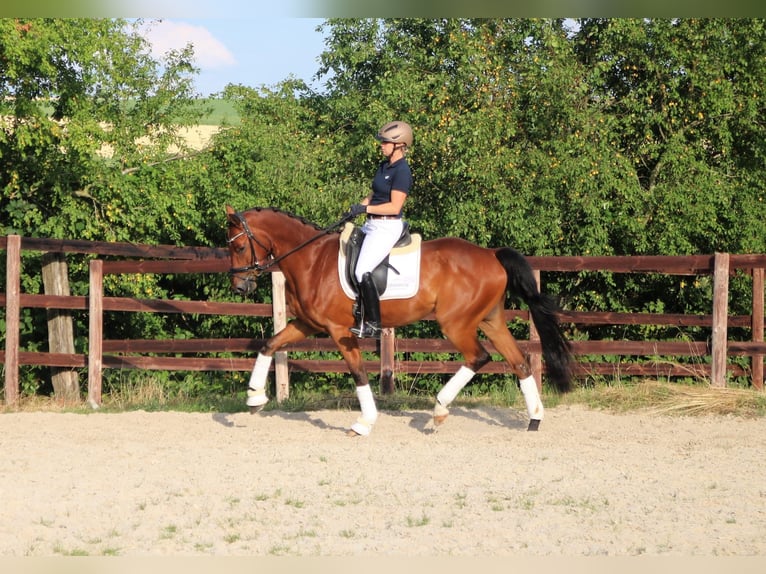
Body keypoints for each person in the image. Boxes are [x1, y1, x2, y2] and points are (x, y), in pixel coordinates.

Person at [346, 120, 413, 338]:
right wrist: (357, 208)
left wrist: (366, 209)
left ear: (400, 145)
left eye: (385, 142)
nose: (381, 145)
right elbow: (375, 194)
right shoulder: (384, 166)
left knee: (361, 269)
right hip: (372, 223)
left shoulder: (402, 171)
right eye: (382, 142)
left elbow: (394, 206)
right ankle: (357, 307)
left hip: (387, 226)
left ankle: (374, 323)